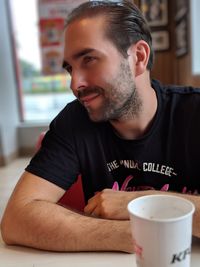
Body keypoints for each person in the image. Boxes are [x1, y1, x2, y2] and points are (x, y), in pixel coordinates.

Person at [1, 0, 200, 253]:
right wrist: (140, 232)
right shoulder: (75, 121)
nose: (75, 84)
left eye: (89, 59)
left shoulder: (194, 113)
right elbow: (16, 220)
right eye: (70, 68)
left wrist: (141, 203)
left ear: (138, 57)